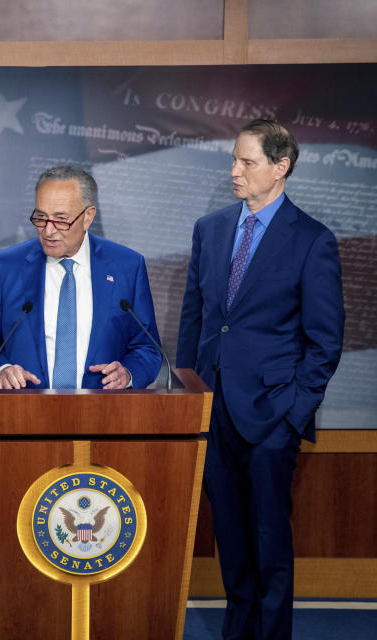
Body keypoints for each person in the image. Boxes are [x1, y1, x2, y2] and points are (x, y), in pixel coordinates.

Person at [176, 119, 344, 639]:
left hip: (273, 418)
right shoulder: (211, 229)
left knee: (270, 547)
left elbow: (325, 342)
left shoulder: (313, 241)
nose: (235, 171)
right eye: (233, 159)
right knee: (230, 542)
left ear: (280, 167)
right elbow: (195, 320)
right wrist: (190, 399)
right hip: (214, 413)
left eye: (247, 162)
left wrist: (293, 416)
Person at [0, 165, 162, 390]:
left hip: (104, 416)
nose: (48, 231)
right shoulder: (7, 266)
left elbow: (147, 348)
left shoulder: (127, 266)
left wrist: (128, 373)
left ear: (88, 217)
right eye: (41, 218)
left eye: (60, 220)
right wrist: (1, 370)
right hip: (23, 415)